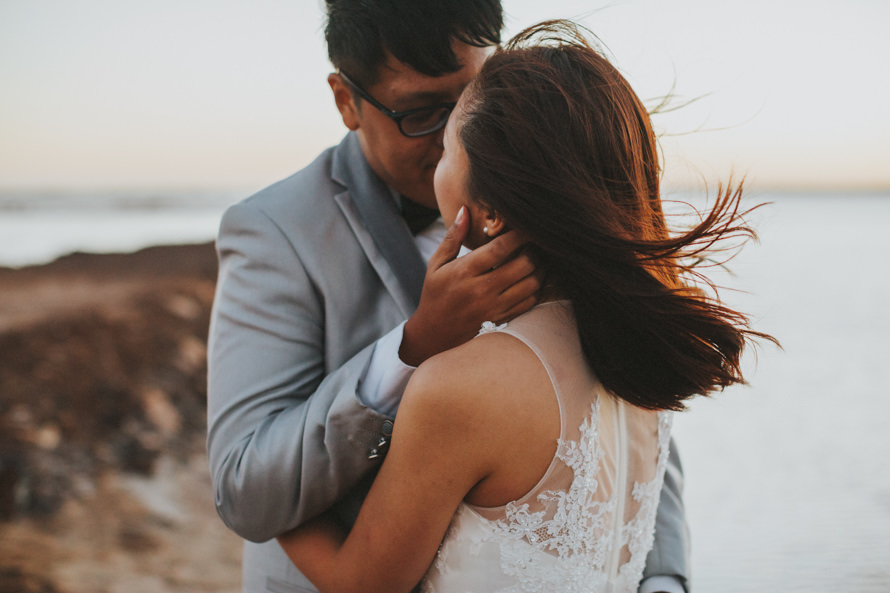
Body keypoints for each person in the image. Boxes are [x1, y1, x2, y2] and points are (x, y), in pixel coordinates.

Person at [275, 19, 773, 593]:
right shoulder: (643, 356)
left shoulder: (459, 389)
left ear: (489, 206)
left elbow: (361, 585)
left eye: (446, 150)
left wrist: (272, 500)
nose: (434, 164)